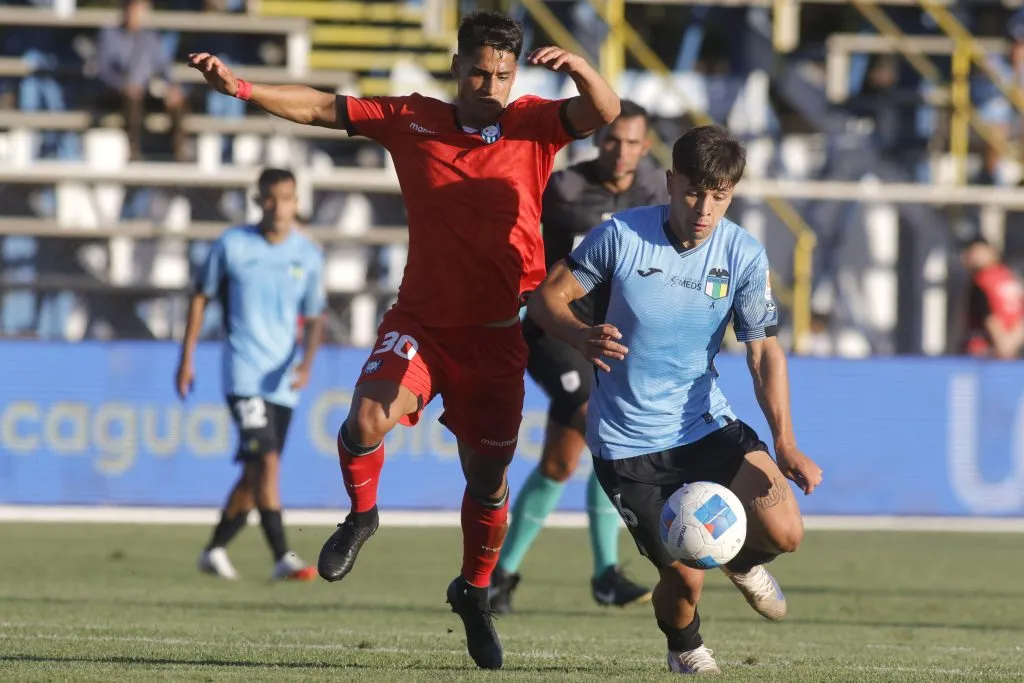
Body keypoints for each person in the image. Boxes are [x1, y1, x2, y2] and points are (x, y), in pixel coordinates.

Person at [189, 10, 619, 670]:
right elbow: (319, 107)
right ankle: (362, 515)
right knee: (365, 419)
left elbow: (604, 110)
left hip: (500, 337)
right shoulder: (412, 117)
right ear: (455, 67)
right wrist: (244, 90)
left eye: (502, 73)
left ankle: (474, 592)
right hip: (420, 323)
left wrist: (584, 69)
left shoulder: (534, 122)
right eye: (478, 70)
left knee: (487, 479)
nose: (490, 84)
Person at [526, 125, 823, 674]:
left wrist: (785, 441)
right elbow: (546, 299)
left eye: (721, 195)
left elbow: (764, 354)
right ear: (670, 182)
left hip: (704, 423)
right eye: (694, 192)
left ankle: (741, 562)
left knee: (786, 531)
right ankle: (685, 646)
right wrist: (578, 335)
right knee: (685, 577)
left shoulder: (743, 255)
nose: (706, 208)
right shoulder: (621, 235)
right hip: (628, 444)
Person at [490, 100, 666, 613]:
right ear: (598, 139)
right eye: (613, 140)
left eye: (633, 142)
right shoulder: (563, 189)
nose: (621, 151)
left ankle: (500, 573)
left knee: (560, 463)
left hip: (612, 341)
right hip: (556, 335)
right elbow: (520, 243)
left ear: (646, 146)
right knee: (601, 431)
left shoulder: (656, 193)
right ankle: (606, 574)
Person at [176, 168, 325, 582]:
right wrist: (185, 358)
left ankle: (214, 548)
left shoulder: (307, 255)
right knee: (268, 462)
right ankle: (283, 556)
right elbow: (200, 297)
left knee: (255, 471)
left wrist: (306, 364)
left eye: (288, 198)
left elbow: (315, 317)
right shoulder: (233, 245)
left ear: (297, 201)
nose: (280, 207)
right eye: (272, 198)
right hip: (243, 373)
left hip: (283, 381)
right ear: (259, 200)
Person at [96, 0, 187, 161]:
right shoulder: (110, 35)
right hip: (118, 94)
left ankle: (180, 151)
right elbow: (104, 71)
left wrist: (171, 88)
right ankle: (134, 152)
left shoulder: (150, 37)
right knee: (133, 96)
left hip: (146, 90)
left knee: (177, 100)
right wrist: (123, 85)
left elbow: (163, 69)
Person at [961, 237, 1024, 359]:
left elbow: (989, 316)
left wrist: (1006, 343)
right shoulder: (1011, 277)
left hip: (989, 352)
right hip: (1013, 348)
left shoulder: (982, 281)